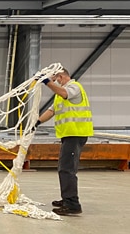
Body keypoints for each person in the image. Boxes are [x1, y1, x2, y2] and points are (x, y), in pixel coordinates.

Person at [36, 68, 93, 216]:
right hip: (69, 135)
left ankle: (72, 204)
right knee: (64, 167)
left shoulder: (74, 87)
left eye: (56, 79)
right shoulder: (60, 95)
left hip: (76, 133)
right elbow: (51, 111)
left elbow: (64, 94)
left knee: (67, 169)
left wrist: (47, 81)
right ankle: (67, 199)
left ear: (61, 77)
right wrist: (36, 122)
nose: (56, 82)